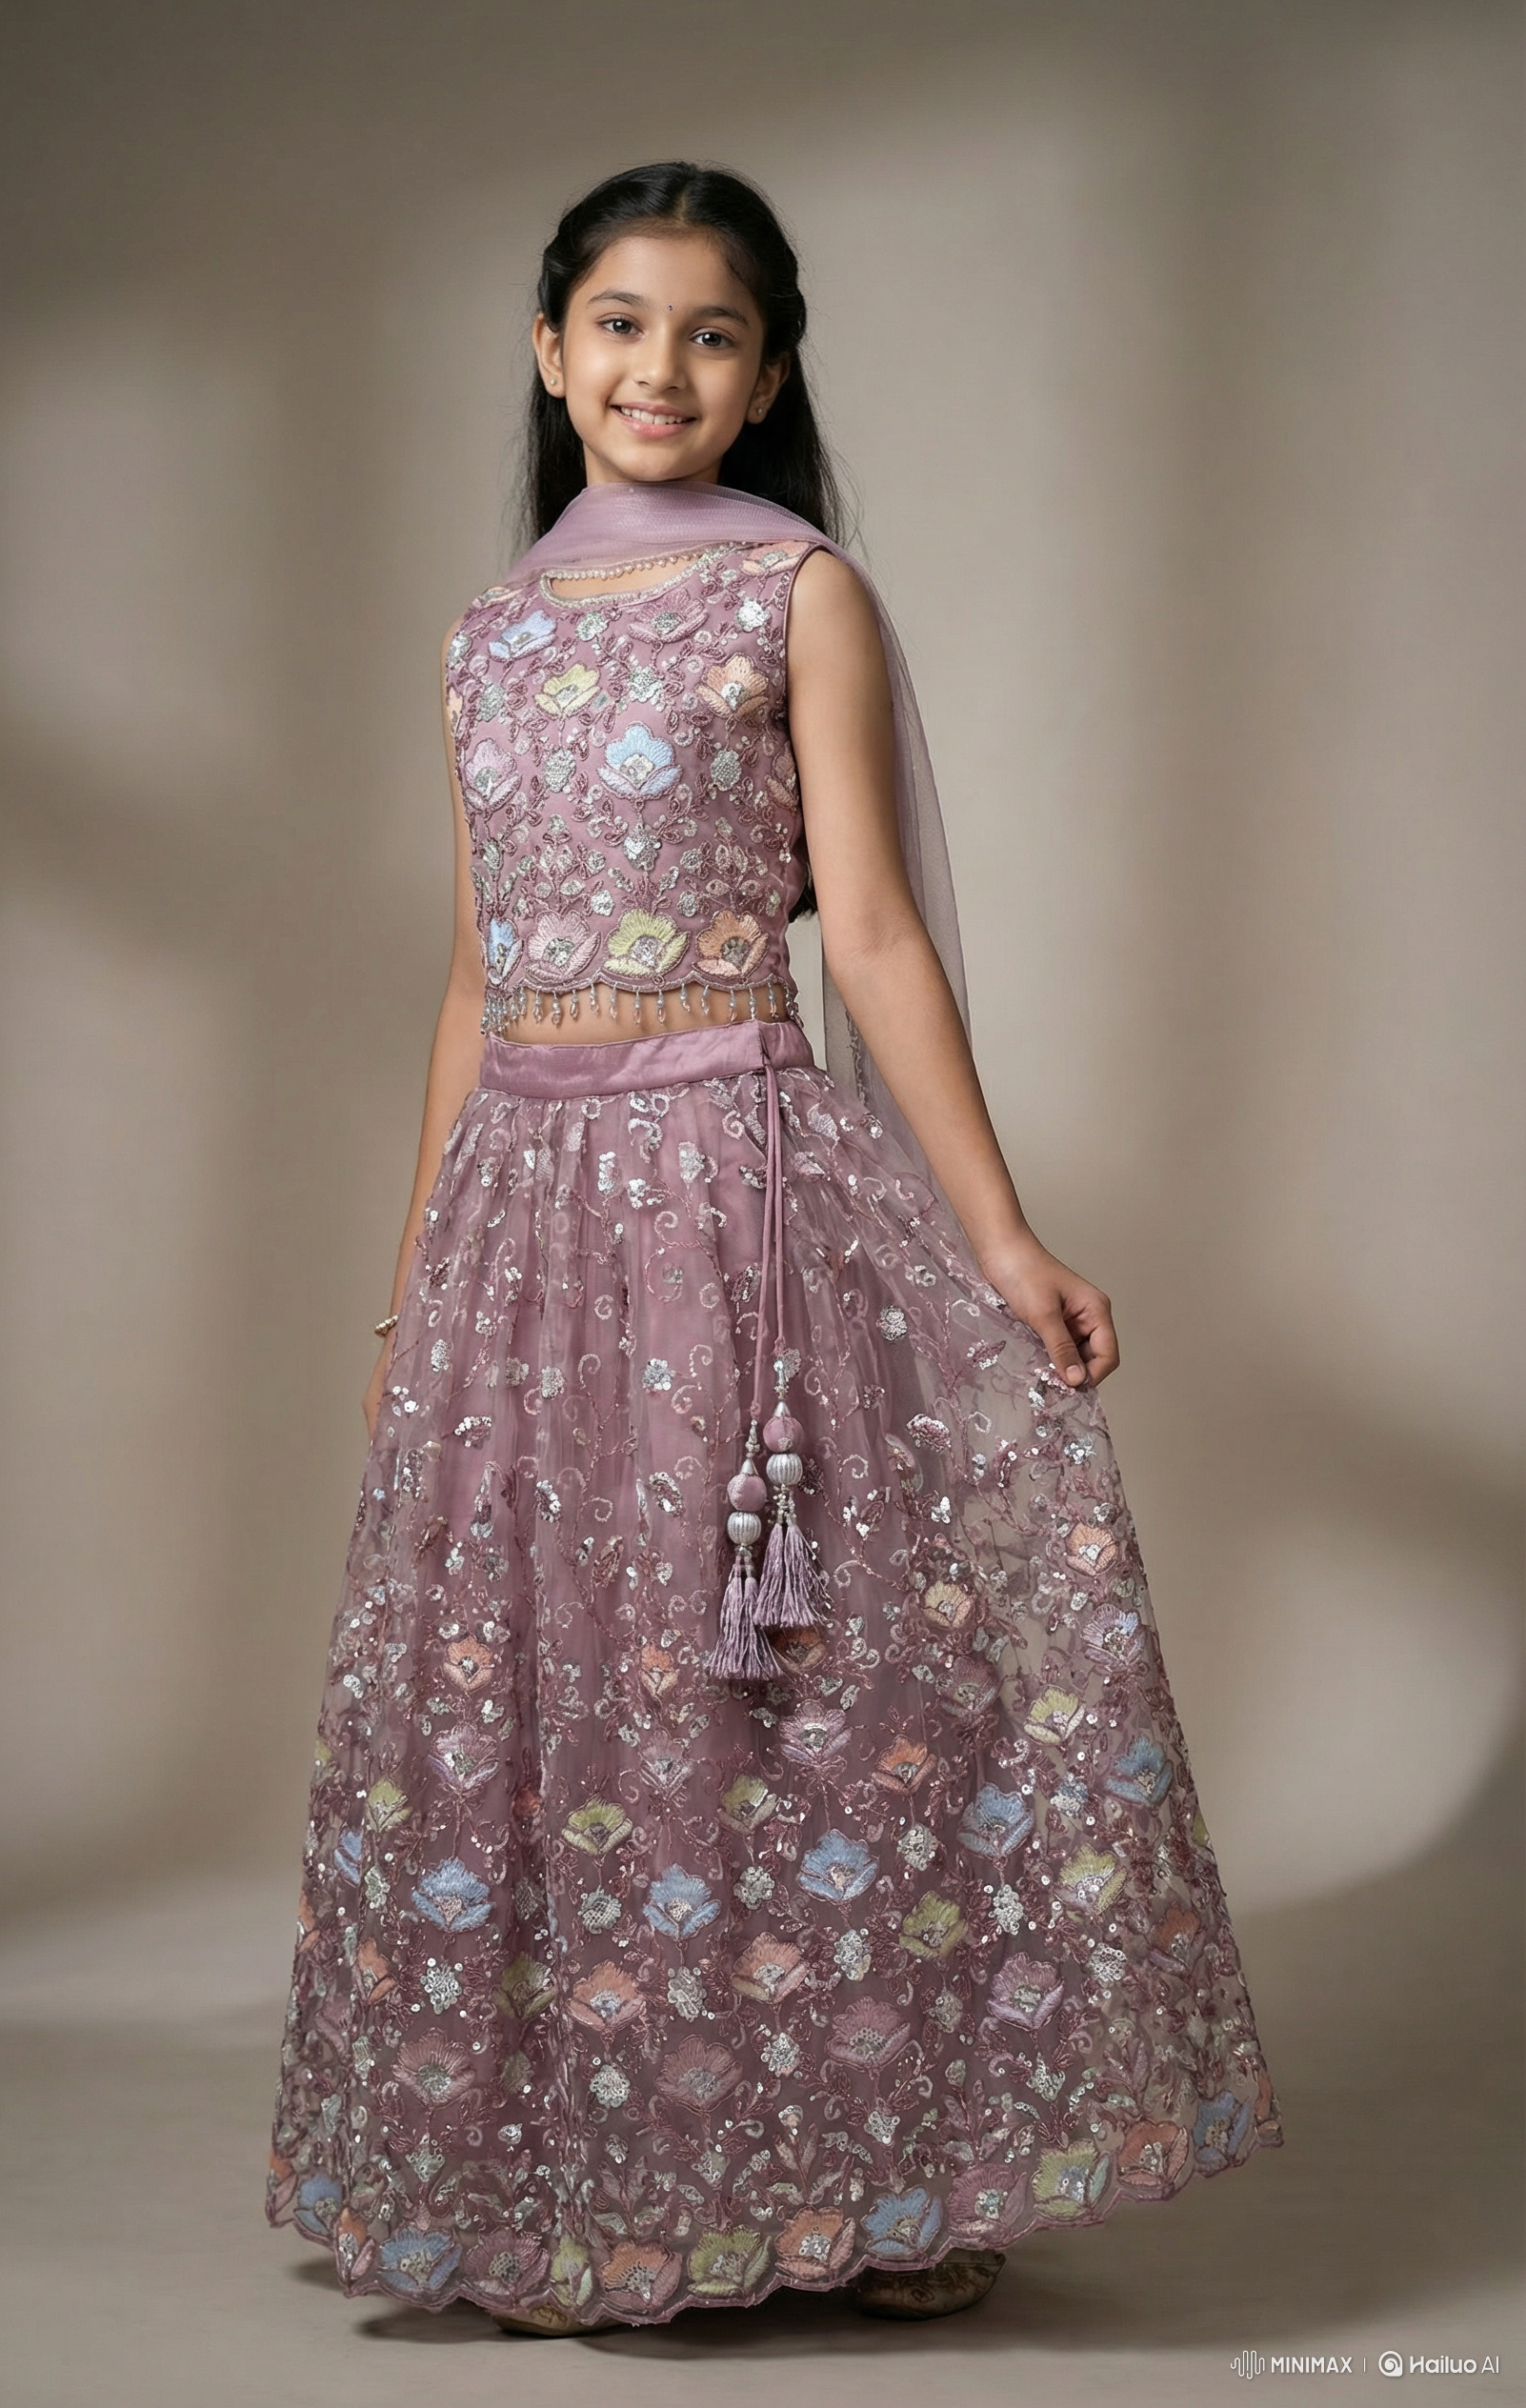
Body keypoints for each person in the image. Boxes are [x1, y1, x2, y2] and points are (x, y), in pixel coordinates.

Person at [266, 160, 1281, 2338]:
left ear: (764, 375)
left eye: (709, 334)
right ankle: (595, 2194)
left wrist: (1000, 1233)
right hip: (524, 1225)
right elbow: (475, 980)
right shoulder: (486, 638)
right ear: (550, 355)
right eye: (619, 324)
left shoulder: (793, 591)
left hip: (733, 1192)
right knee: (569, 1693)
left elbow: (877, 936)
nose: (660, 366)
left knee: (788, 1686)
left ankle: (879, 2177)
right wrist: (410, 1287)